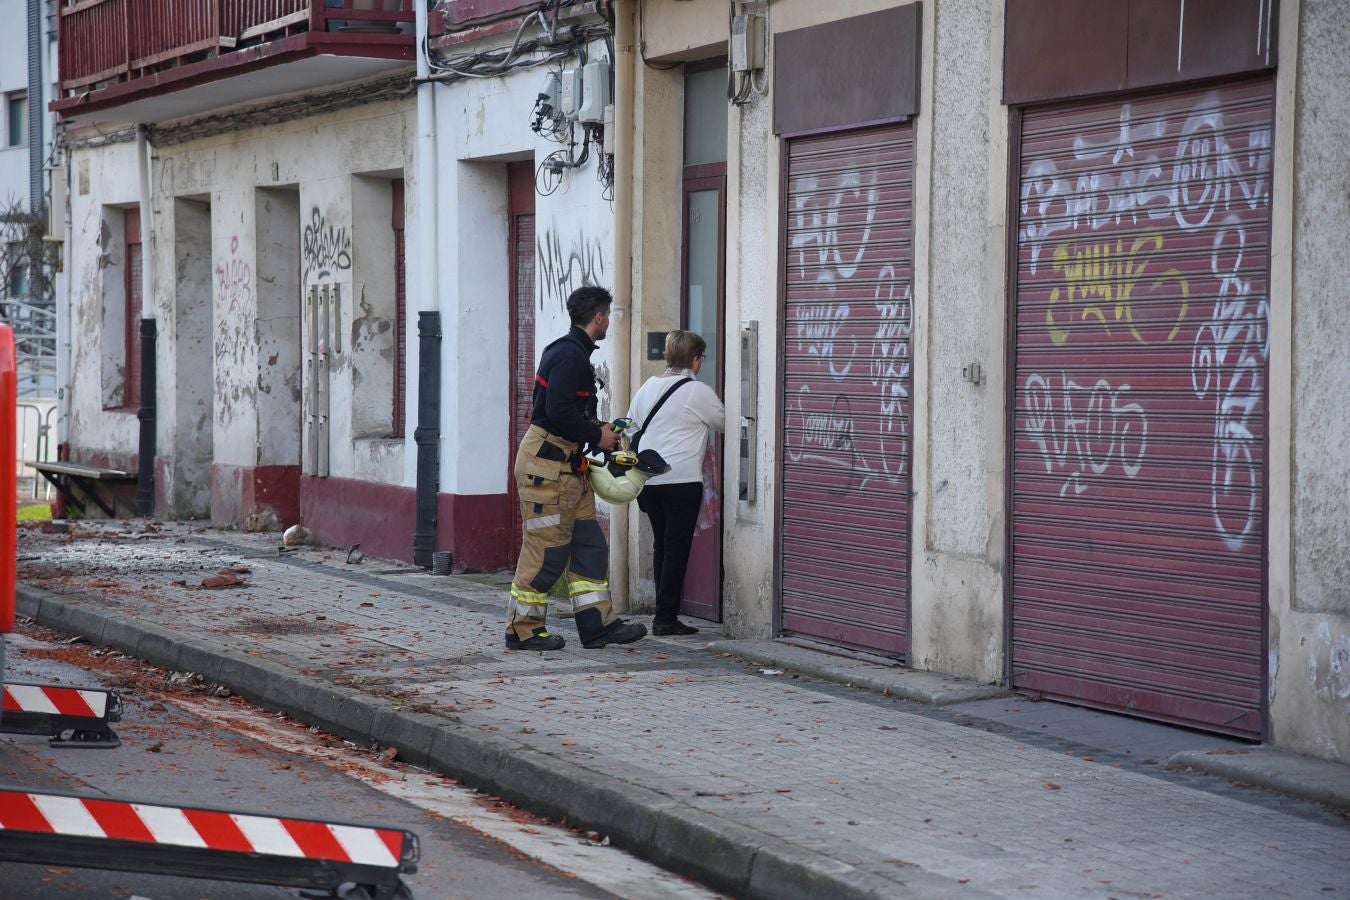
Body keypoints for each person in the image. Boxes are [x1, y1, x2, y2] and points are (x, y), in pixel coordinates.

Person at [506, 286, 648, 651]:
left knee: (589, 545)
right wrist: (595, 436)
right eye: (607, 317)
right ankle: (522, 630)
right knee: (546, 551)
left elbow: (568, 409)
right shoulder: (569, 356)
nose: (607, 324)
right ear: (598, 317)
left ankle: (597, 624)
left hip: (567, 468)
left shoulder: (570, 352)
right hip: (547, 469)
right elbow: (557, 411)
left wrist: (599, 429)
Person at [626, 330, 725, 635]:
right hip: (682, 481)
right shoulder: (698, 392)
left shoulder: (648, 387)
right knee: (676, 547)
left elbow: (629, 428)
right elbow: (725, 422)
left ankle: (663, 613)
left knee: (662, 544)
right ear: (695, 360)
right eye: (701, 358)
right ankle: (665, 618)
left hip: (650, 481)